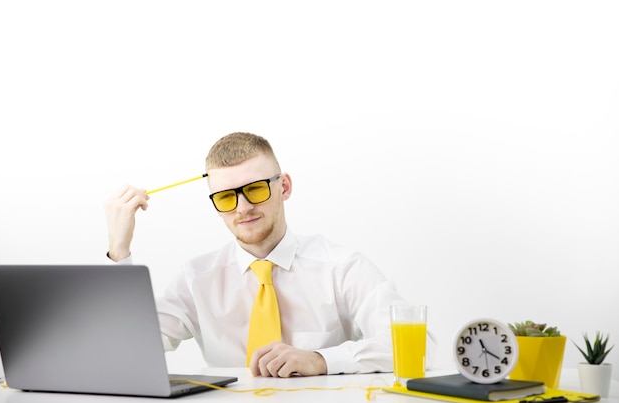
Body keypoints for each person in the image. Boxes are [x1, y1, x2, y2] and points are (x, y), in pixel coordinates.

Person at [104, 132, 426, 378]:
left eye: (255, 189)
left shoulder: (342, 268)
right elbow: (127, 350)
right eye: (227, 197)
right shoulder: (195, 279)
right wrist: (119, 249)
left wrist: (320, 359)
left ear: (284, 187)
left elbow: (416, 349)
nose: (243, 208)